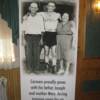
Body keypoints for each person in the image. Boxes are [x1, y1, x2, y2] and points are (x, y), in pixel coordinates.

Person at [22, 2, 44, 72]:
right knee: (28, 54)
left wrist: (41, 39)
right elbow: (23, 29)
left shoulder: (40, 17)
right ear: (29, 8)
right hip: (28, 37)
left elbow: (42, 29)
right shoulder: (26, 17)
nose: (33, 8)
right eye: (32, 7)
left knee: (36, 54)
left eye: (35, 7)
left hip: (37, 37)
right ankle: (30, 69)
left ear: (37, 9)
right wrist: (23, 39)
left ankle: (36, 69)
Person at [40, 2, 61, 73]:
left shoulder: (57, 15)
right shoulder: (42, 14)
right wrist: (26, 15)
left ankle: (54, 67)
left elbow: (63, 22)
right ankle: (46, 66)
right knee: (46, 52)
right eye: (49, 6)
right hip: (46, 34)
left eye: (52, 6)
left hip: (54, 34)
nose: (50, 7)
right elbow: (32, 14)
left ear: (54, 7)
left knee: (54, 53)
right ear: (47, 6)